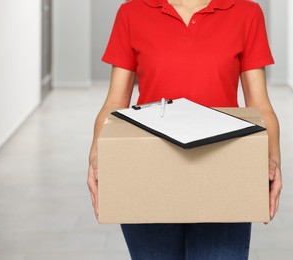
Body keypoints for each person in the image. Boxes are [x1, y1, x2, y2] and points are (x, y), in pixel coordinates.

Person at [87, 0, 282, 259]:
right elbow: (114, 102)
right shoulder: (132, 12)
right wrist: (96, 156)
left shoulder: (245, 12)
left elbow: (260, 105)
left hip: (223, 171)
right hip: (147, 171)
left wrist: (273, 160)